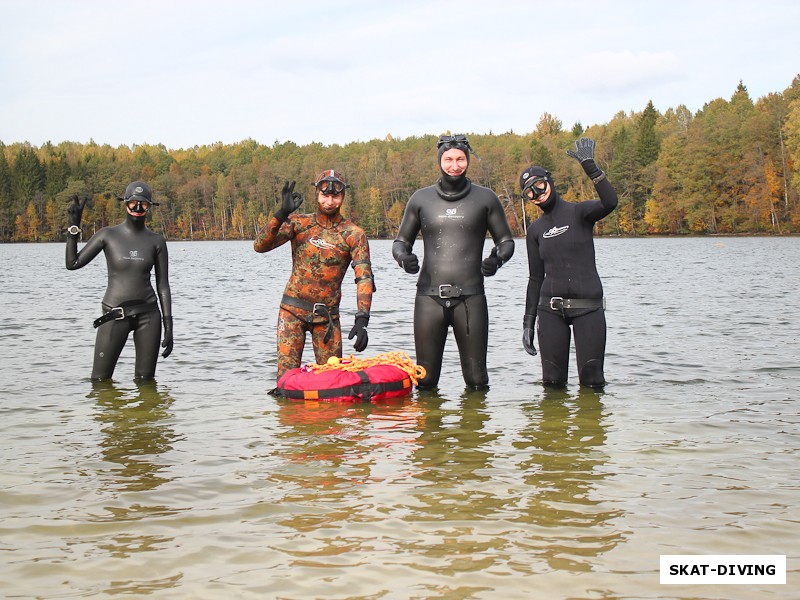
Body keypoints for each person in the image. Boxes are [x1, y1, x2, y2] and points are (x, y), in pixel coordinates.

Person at [392, 134, 514, 389]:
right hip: (428, 298)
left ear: (468, 160)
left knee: (477, 380)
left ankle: (475, 427)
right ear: (439, 161)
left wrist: (497, 260)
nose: (454, 165)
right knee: (425, 380)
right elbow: (401, 242)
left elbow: (505, 241)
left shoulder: (485, 198)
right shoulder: (420, 199)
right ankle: (428, 427)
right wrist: (404, 259)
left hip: (471, 298)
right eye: (448, 159)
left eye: (460, 159)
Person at [254, 170, 374, 383]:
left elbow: (364, 277)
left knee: (332, 382)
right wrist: (281, 214)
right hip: (292, 313)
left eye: (335, 196)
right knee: (286, 382)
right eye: (324, 195)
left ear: (343, 196)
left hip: (327, 318)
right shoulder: (299, 223)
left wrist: (362, 318)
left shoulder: (354, 234)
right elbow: (259, 246)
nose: (329, 201)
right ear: (316, 194)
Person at [520, 137, 618, 388]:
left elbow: (610, 202)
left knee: (592, 381)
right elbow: (535, 279)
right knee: (552, 384)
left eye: (539, 185)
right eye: (529, 192)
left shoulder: (579, 213)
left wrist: (591, 168)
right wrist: (528, 322)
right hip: (550, 311)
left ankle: (591, 427)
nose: (537, 194)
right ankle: (552, 428)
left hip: (588, 308)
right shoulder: (535, 230)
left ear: (550, 181)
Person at [66, 181, 173, 381]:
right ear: (125, 203)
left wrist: (169, 324)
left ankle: (147, 413)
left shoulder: (156, 241)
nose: (138, 208)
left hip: (148, 316)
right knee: (100, 381)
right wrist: (73, 227)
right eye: (133, 203)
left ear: (150, 206)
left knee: (146, 383)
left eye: (144, 204)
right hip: (114, 315)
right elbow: (72, 263)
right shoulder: (108, 235)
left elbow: (163, 286)